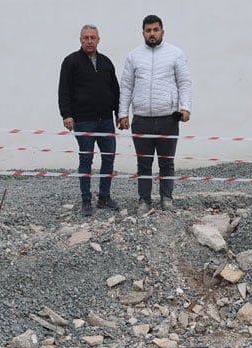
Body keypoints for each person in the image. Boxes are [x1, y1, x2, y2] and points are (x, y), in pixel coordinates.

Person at [118, 14, 191, 213]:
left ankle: (167, 199)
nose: (152, 33)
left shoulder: (175, 54)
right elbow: (127, 86)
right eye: (148, 30)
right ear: (143, 32)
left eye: (155, 30)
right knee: (144, 163)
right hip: (141, 119)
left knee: (167, 162)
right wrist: (123, 114)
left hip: (168, 118)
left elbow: (184, 83)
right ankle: (144, 200)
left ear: (162, 31)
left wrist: (185, 108)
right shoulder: (133, 56)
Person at [58, 24, 121, 217]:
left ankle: (104, 197)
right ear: (80, 40)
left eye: (93, 37)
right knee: (86, 159)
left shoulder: (106, 62)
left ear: (98, 40)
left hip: (106, 121)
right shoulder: (71, 62)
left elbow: (115, 90)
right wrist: (66, 115)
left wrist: (119, 114)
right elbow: (64, 90)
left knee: (109, 157)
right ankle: (86, 200)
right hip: (83, 120)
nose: (89, 41)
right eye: (86, 37)